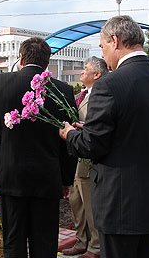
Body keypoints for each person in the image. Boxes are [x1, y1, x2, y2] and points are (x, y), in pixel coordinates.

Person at [59, 15, 149, 258]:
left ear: (114, 40)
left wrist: (70, 134)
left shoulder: (109, 85)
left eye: (102, 47)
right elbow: (137, 131)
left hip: (120, 204)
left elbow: (92, 146)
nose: (103, 55)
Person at [0, 37, 77, 258]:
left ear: (20, 59)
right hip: (48, 178)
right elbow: (70, 139)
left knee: (13, 242)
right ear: (47, 64)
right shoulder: (63, 91)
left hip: (11, 177)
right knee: (45, 243)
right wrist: (66, 179)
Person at [63, 56, 108, 258]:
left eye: (86, 68)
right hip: (75, 154)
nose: (82, 71)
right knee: (76, 200)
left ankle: (95, 246)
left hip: (88, 158)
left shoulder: (101, 95)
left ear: (97, 74)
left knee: (89, 203)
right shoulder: (80, 95)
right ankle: (81, 240)